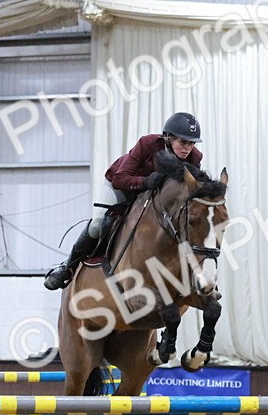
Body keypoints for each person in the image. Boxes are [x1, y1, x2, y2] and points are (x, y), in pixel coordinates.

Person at [44, 112, 205, 290]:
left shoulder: (195, 158)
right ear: (168, 137)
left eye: (191, 143)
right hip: (122, 186)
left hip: (153, 197)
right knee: (97, 225)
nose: (188, 148)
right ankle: (67, 267)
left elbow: (190, 191)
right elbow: (120, 179)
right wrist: (145, 182)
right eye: (183, 142)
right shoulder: (148, 144)